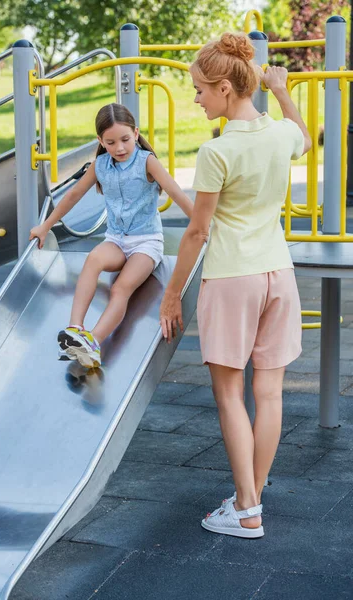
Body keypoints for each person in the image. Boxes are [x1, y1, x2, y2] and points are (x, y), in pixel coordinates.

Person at [159, 32, 311, 539]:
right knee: (268, 394)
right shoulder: (279, 135)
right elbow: (304, 137)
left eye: (200, 89)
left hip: (232, 278)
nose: (196, 98)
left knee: (230, 395)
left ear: (225, 88)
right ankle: (249, 499)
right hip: (280, 277)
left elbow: (198, 232)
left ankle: (247, 511)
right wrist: (281, 88)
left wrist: (171, 293)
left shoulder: (216, 151)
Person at [30, 103, 194, 368]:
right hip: (116, 239)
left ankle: (93, 343)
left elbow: (176, 192)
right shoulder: (101, 165)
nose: (119, 148)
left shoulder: (146, 161)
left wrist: (202, 225)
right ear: (100, 141)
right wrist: (45, 225)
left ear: (136, 133)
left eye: (126, 140)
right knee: (92, 260)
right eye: (111, 142)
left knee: (120, 288)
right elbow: (73, 195)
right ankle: (75, 329)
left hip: (146, 242)